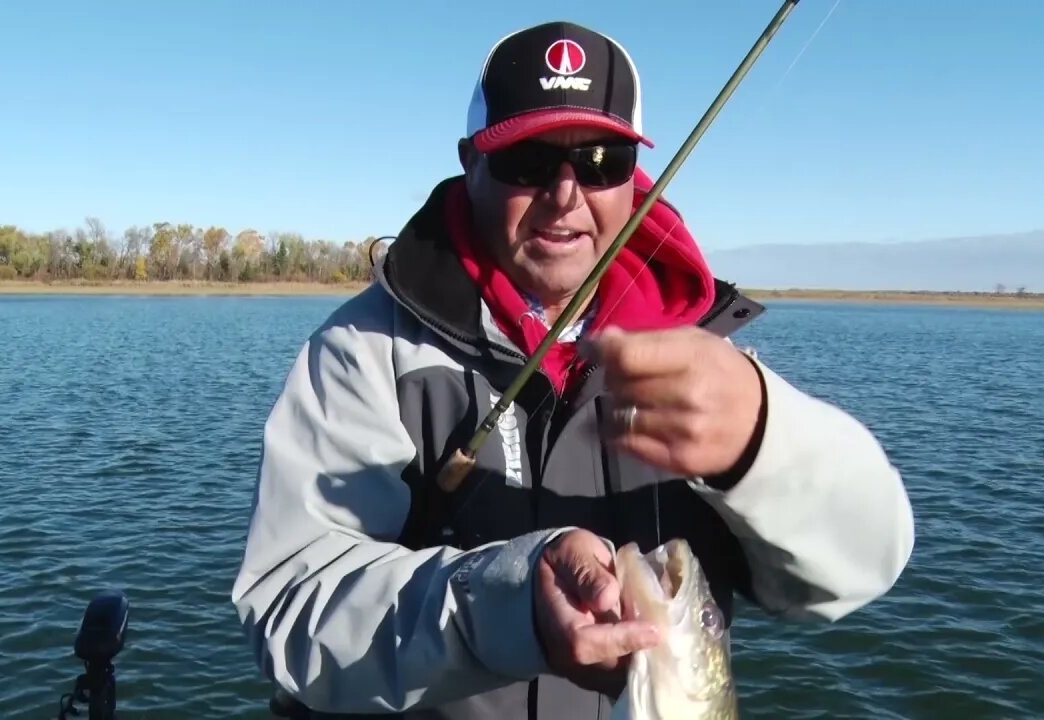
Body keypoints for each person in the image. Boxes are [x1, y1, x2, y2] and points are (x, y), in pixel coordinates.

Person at [231, 19, 914, 720]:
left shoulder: (707, 369)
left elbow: (863, 566)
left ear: (634, 176)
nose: (565, 194)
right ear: (471, 164)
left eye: (600, 161)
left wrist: (763, 437)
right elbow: (291, 609)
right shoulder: (365, 350)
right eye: (527, 161)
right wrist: (510, 604)